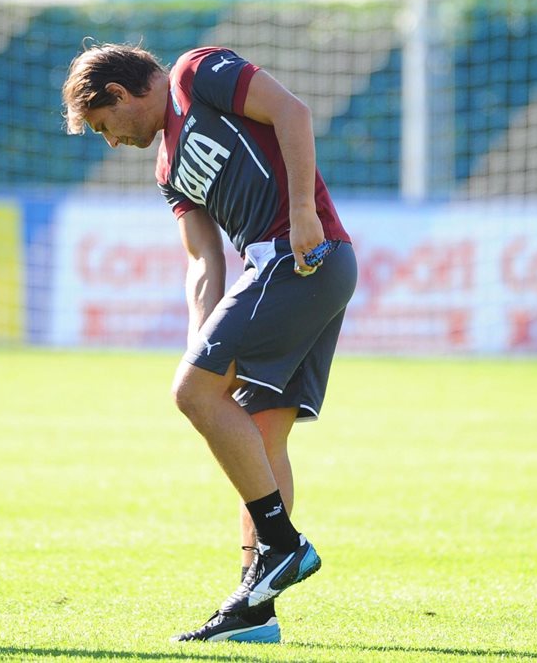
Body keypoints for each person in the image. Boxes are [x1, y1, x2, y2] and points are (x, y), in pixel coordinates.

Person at [61, 42, 357, 643]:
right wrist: (201, 343)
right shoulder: (167, 170)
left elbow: (292, 113)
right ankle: (256, 609)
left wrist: (303, 211)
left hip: (299, 257)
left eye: (103, 126)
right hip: (286, 271)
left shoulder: (196, 74)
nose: (110, 141)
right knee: (259, 438)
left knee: (193, 395)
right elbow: (202, 261)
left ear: (119, 94)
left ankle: (282, 546)